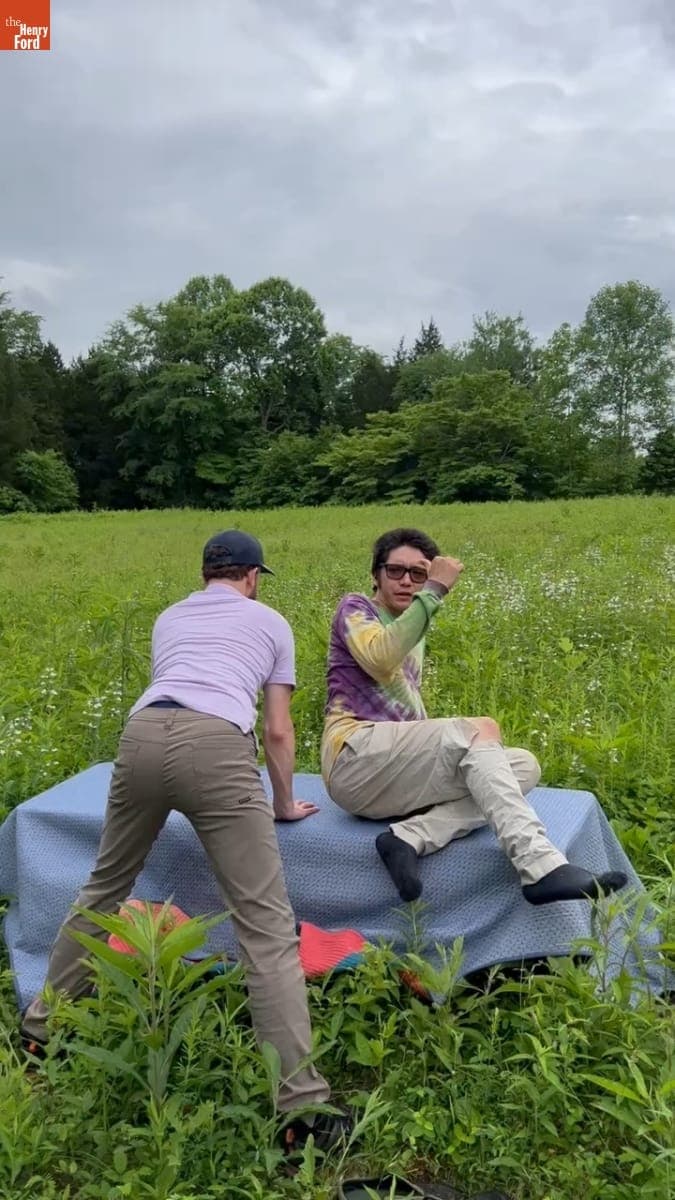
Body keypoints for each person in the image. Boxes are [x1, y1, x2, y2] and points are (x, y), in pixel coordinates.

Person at [22, 530, 350, 1151]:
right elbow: (278, 732)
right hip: (218, 745)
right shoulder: (270, 622)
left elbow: (176, 692)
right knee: (264, 924)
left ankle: (41, 1032)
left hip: (140, 736)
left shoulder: (170, 617)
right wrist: (282, 803)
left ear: (206, 574)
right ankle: (302, 1111)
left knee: (103, 889)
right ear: (252, 576)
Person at [321, 527, 627, 907]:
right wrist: (435, 589)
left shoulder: (412, 625)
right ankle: (540, 865)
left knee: (522, 766)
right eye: (395, 570)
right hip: (354, 758)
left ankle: (409, 837)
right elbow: (381, 658)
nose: (406, 581)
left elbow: (408, 708)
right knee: (481, 729)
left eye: (419, 574)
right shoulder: (356, 608)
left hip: (393, 769)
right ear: (375, 575)